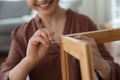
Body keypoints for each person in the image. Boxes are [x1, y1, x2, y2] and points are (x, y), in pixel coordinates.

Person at [0, 0, 120, 80]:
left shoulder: (84, 23)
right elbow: (5, 76)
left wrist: (100, 64)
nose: (42, 0)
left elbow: (115, 73)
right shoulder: (22, 34)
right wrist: (28, 62)